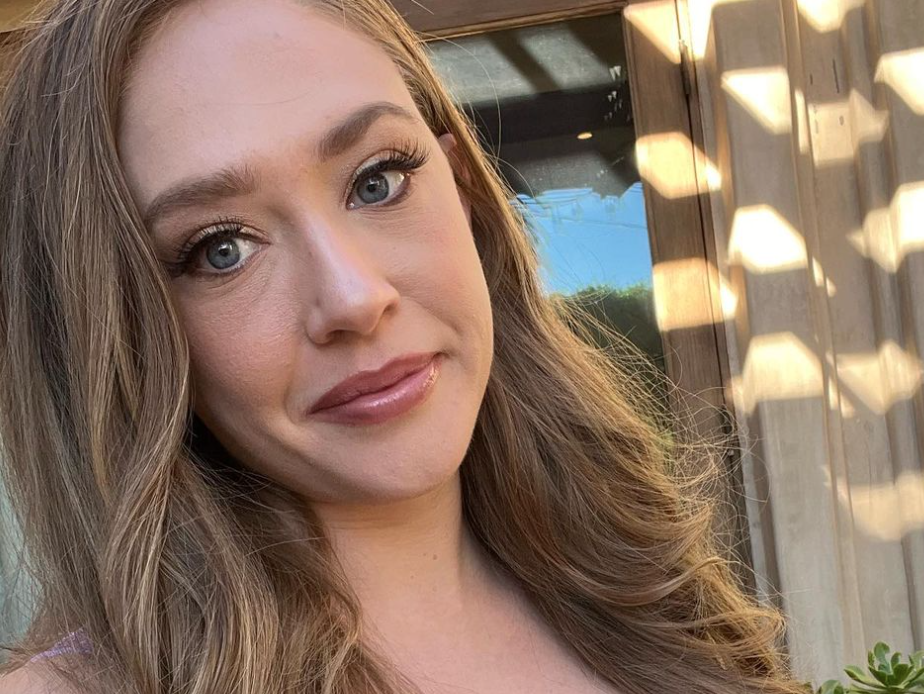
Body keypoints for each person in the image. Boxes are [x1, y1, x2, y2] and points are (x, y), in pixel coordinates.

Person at [0, 0, 808, 692]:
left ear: (463, 188)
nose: (354, 298)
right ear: (117, 334)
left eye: (376, 180)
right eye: (221, 248)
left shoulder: (656, 596)